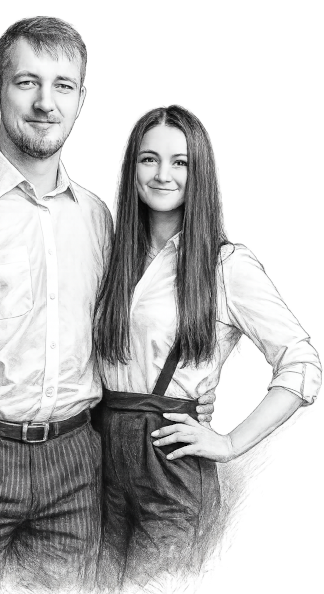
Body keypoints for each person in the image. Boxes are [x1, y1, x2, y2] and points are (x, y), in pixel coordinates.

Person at [0, 18, 215, 591]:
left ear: (82, 98)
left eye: (63, 85)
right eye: (26, 82)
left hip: (76, 466)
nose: (44, 103)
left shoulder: (99, 220)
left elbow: (137, 326)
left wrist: (197, 390)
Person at [94, 103, 322, 586]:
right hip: (99, 463)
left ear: (200, 172)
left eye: (180, 162)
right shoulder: (109, 254)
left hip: (172, 469)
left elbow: (302, 363)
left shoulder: (227, 265)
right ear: (131, 167)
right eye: (149, 159)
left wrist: (230, 443)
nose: (163, 174)